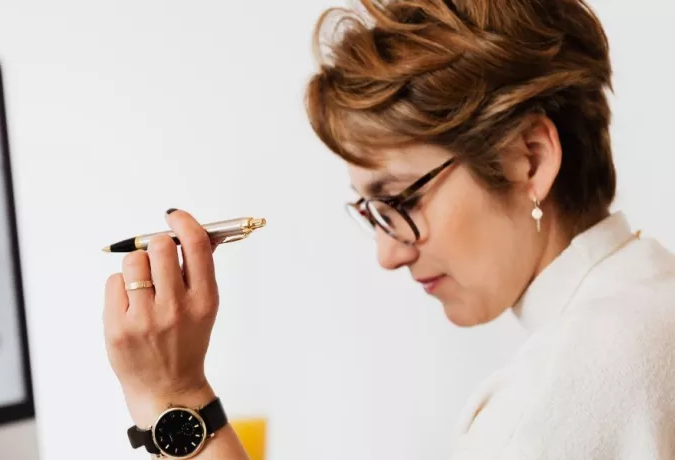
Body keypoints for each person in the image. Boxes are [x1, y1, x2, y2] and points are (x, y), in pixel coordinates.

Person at [103, 0, 675, 458]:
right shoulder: (650, 299)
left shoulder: (562, 393)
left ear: (528, 157)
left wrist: (173, 398)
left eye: (400, 199)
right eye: (371, 211)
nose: (387, 254)